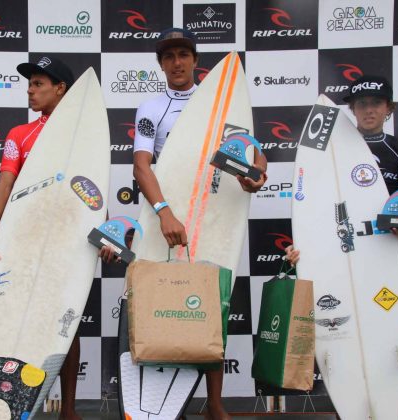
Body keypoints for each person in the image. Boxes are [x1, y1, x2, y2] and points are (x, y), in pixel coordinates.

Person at [131, 28, 268, 420]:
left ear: (195, 60)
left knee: (212, 305)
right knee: (159, 304)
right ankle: (155, 405)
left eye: (183, 55)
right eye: (169, 56)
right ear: (161, 64)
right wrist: (164, 212)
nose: (177, 62)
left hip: (212, 214)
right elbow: (142, 166)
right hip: (166, 217)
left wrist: (254, 178)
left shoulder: (222, 102)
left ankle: (215, 404)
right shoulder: (150, 109)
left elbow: (254, 157)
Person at [0, 56, 81, 420]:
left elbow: (92, 190)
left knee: (65, 322)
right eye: (30, 83)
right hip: (22, 241)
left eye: (39, 83)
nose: (30, 90)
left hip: (66, 243)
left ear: (61, 89)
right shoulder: (19, 136)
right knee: (16, 318)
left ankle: (68, 409)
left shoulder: (84, 135)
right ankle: (19, 404)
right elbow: (4, 185)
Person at [286, 75, 398, 265]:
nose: (369, 110)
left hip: (383, 243)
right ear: (353, 109)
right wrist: (303, 240)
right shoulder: (331, 148)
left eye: (376, 103)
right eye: (361, 104)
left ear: (389, 107)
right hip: (337, 240)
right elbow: (311, 198)